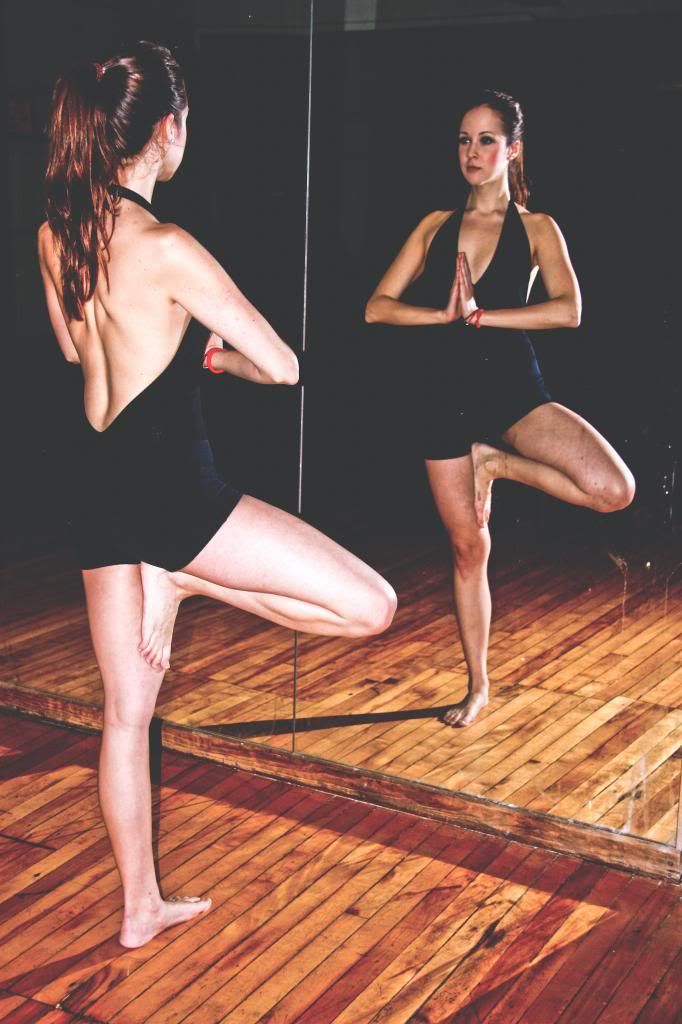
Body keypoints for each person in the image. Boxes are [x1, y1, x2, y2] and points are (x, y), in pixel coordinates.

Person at [38, 41, 396, 948]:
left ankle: (139, 909)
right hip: (172, 494)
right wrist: (217, 358)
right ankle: (187, 577)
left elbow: (76, 352)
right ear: (168, 130)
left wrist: (157, 342)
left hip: (96, 488)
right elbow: (283, 366)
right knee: (372, 607)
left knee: (126, 717)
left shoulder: (55, 232)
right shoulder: (168, 247)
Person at [365, 89, 634, 730]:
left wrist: (483, 317)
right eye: (464, 139)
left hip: (514, 390)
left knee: (612, 488)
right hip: (440, 397)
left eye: (487, 140)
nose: (472, 152)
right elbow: (377, 307)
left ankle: (497, 464)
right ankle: (478, 685)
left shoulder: (538, 228)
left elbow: (569, 310)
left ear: (512, 149)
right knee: (469, 550)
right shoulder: (434, 226)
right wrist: (441, 316)